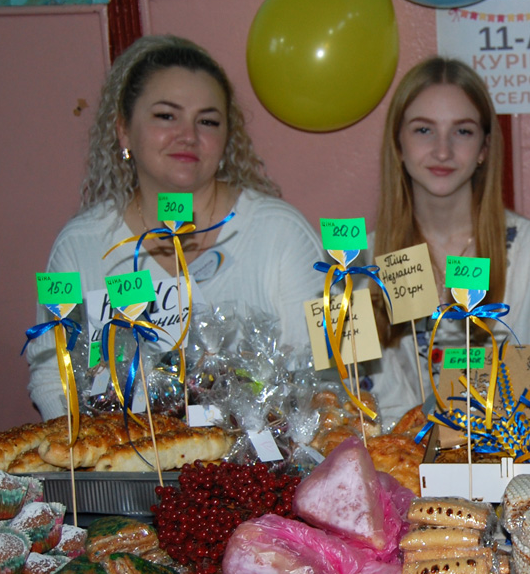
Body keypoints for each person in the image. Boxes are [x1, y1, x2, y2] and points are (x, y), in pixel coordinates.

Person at [27, 35, 325, 420]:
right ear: (123, 130)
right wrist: (91, 446)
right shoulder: (80, 246)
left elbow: (320, 372)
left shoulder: (280, 234)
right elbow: (51, 376)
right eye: (166, 116)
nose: (189, 136)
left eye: (207, 121)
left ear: (226, 138)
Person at [364, 57, 530, 427]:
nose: (443, 151)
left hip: (500, 454)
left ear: (485, 148)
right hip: (396, 455)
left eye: (463, 132)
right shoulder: (361, 261)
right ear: (398, 144)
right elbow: (373, 406)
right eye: (424, 130)